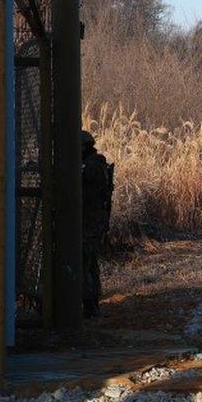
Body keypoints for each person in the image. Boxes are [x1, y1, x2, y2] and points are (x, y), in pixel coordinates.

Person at [81, 130, 114, 318]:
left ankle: (90, 304)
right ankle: (90, 302)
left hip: (90, 223)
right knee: (88, 262)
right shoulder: (93, 164)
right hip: (91, 222)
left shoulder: (94, 165)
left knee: (86, 261)